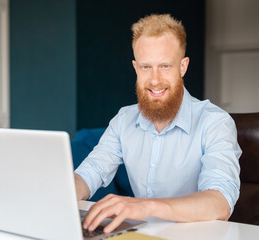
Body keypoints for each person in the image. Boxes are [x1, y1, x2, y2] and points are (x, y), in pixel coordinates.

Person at [74, 14, 241, 234]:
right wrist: (59, 192)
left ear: (183, 67)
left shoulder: (215, 122)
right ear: (135, 67)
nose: (154, 80)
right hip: (139, 235)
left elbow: (220, 202)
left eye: (164, 66)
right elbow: (91, 172)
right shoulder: (123, 121)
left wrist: (145, 206)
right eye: (146, 67)